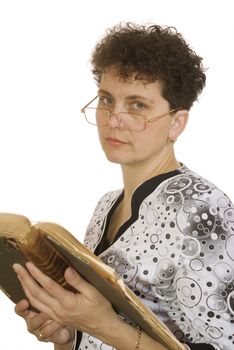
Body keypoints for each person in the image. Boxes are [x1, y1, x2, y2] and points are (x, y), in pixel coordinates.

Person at [12, 22, 234, 350]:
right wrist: (68, 333)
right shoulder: (106, 206)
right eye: (106, 99)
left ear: (177, 122)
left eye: (137, 105)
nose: (113, 119)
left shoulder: (200, 210)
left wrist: (102, 324)